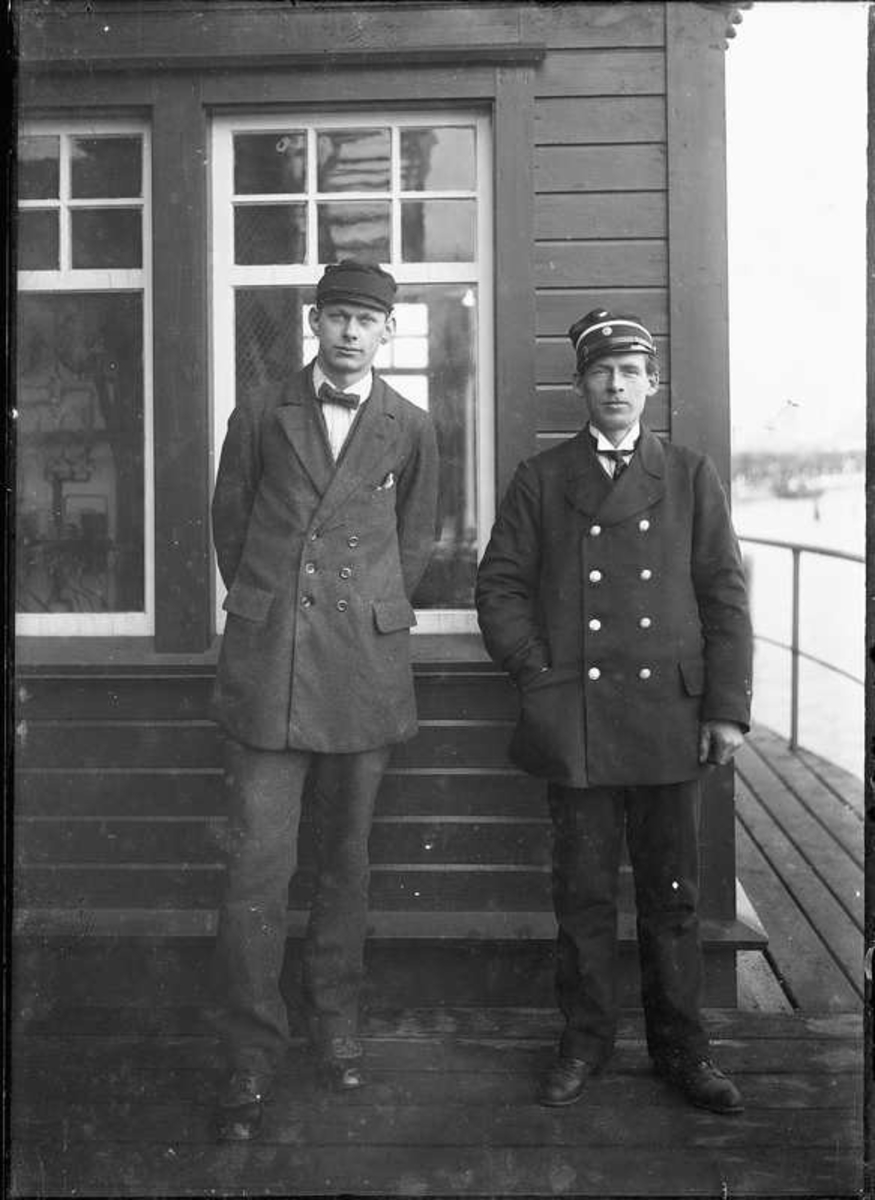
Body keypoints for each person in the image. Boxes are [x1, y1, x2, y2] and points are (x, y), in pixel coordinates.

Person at [475, 309, 752, 1114]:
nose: (615, 385)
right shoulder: (541, 477)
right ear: (580, 385)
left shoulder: (690, 475)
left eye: (630, 371)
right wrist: (537, 674)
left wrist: (725, 708)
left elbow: (724, 596)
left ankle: (682, 1051)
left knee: (672, 899)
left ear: (651, 384)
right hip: (578, 721)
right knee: (584, 896)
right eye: (601, 372)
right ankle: (584, 1043)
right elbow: (498, 586)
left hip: (669, 718)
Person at [210, 260, 439, 1140]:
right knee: (256, 870)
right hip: (270, 665)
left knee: (346, 864)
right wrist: (275, 611)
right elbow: (232, 528)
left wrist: (361, 616)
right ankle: (248, 1054)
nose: (349, 332)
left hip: (362, 671)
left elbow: (413, 544)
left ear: (387, 331)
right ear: (314, 323)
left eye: (365, 320)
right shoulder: (260, 412)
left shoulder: (410, 426)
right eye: (336, 316)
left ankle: (335, 1029)